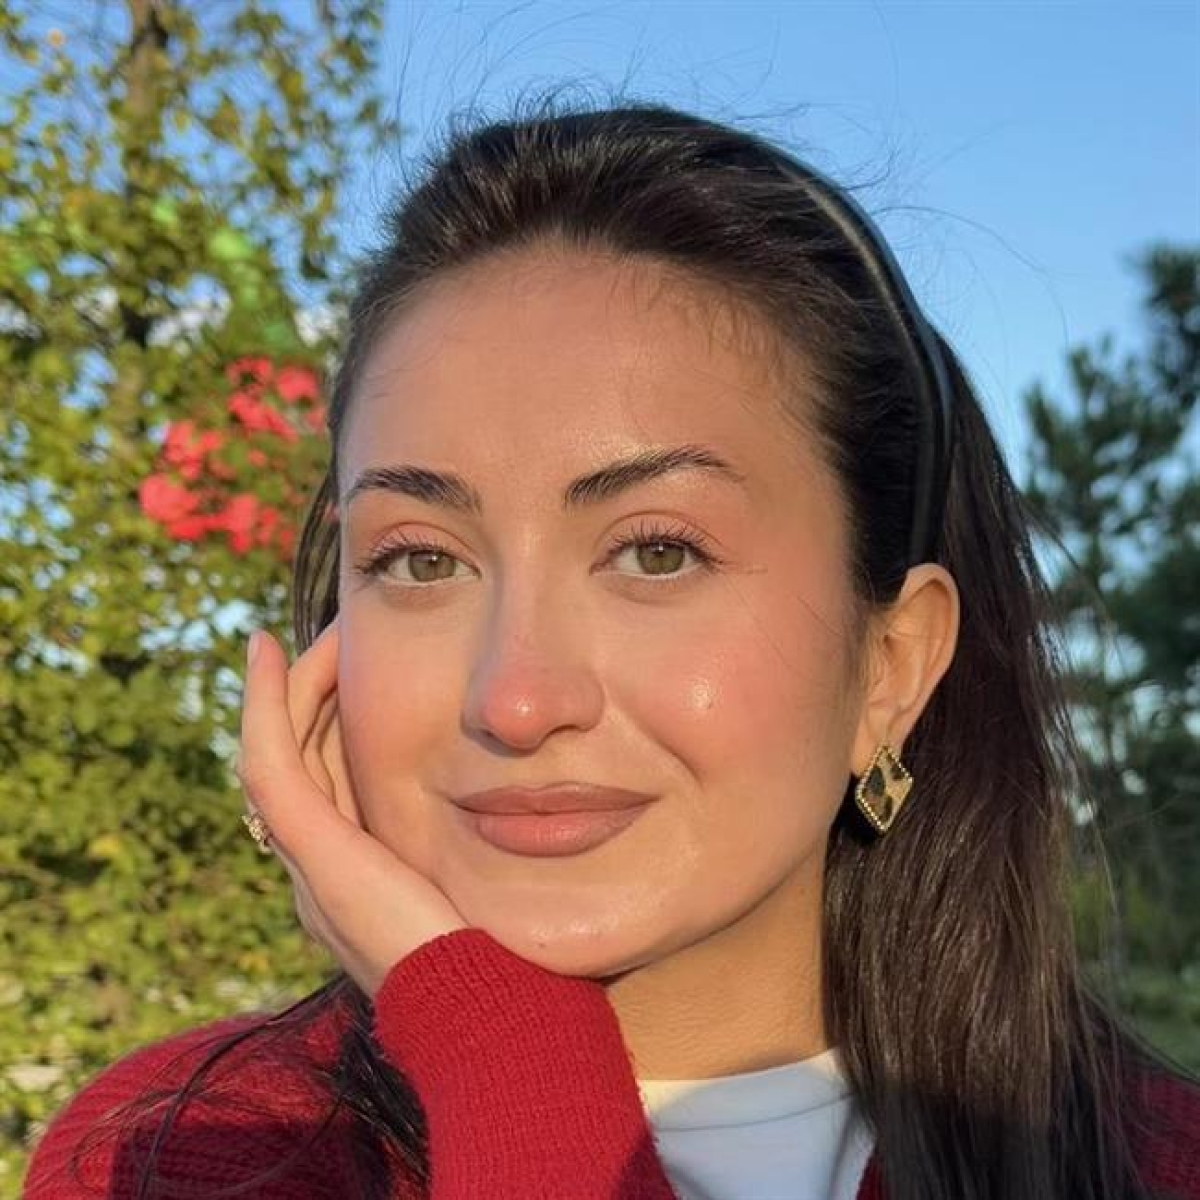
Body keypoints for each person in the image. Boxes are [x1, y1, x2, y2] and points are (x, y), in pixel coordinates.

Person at [23, 99, 1200, 1200]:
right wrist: (502, 1051)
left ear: (891, 665)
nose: (517, 699)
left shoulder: (1162, 1164)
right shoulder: (184, 1155)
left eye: (656, 552)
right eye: (422, 560)